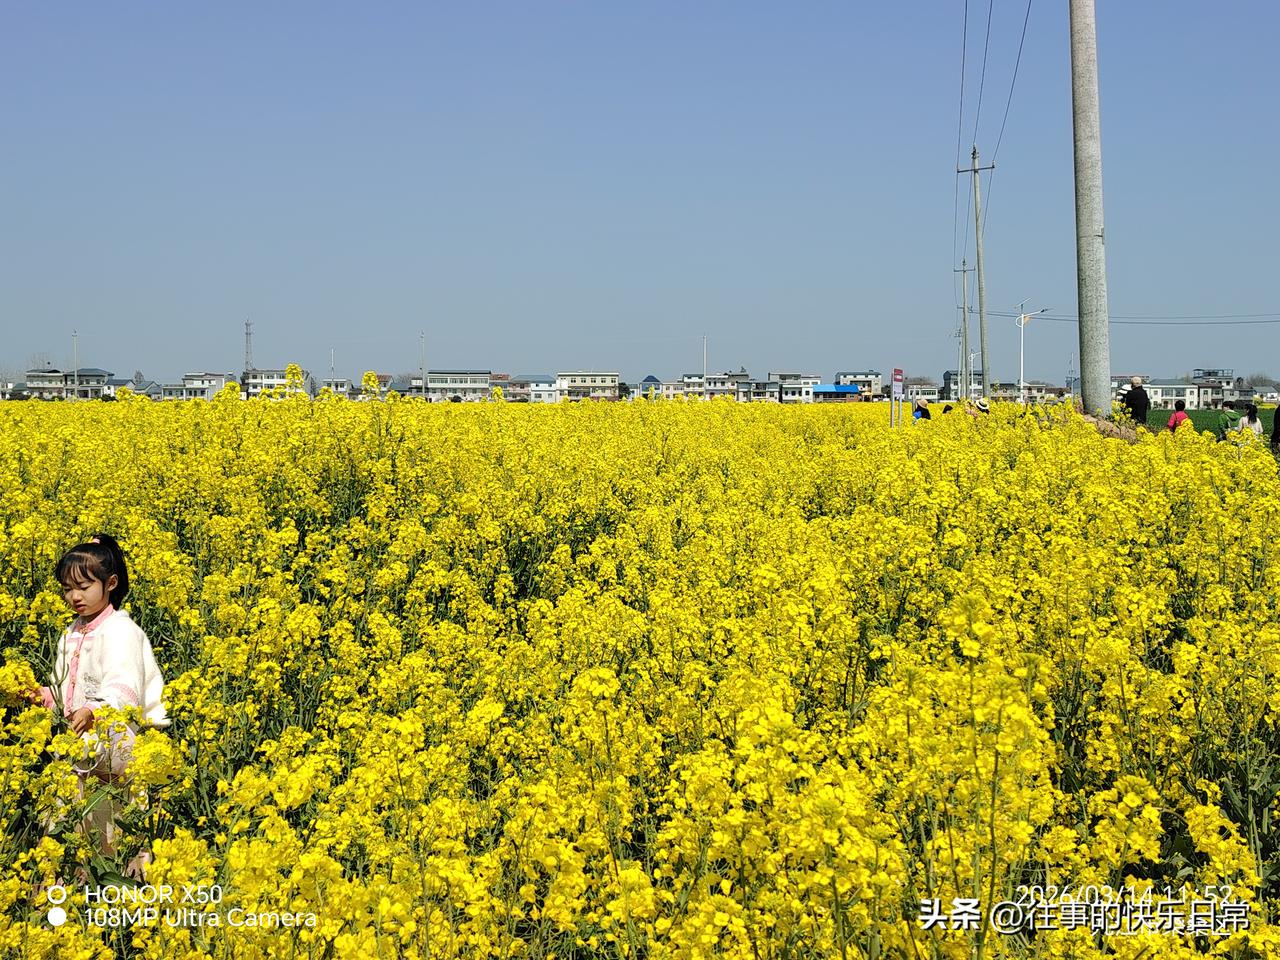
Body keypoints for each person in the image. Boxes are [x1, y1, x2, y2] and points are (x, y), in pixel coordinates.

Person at [31, 535, 167, 861]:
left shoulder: (121, 630)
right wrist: (40, 695)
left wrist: (93, 710)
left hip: (114, 745)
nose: (74, 596)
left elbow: (123, 685)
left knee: (116, 825)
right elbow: (67, 692)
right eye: (67, 589)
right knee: (79, 825)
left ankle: (123, 890)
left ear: (110, 583)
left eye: (84, 587)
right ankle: (79, 886)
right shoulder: (72, 632)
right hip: (82, 742)